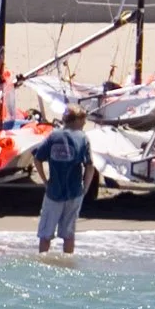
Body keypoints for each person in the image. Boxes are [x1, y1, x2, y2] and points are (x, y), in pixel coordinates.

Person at [33, 105, 97, 255]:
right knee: (68, 234)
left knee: (46, 233)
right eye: (83, 120)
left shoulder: (53, 136)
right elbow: (90, 167)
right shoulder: (82, 138)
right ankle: (68, 262)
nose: (85, 123)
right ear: (77, 120)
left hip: (54, 191)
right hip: (74, 192)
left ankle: (43, 261)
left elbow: (37, 159)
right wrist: (85, 188)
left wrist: (45, 181)